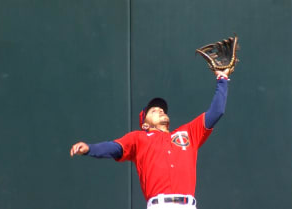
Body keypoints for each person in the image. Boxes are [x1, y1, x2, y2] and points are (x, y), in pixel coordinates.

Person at [70, 68, 232, 209]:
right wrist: (90, 149)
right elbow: (115, 148)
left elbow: (216, 112)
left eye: (162, 109)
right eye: (154, 110)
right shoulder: (139, 138)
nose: (161, 110)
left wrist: (222, 79)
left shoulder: (187, 133)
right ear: (145, 124)